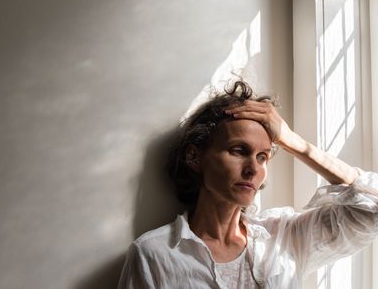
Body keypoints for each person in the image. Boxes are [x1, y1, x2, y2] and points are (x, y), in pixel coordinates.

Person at [118, 81, 378, 288]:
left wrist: (293, 141)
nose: (253, 168)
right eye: (239, 150)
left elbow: (373, 209)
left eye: (262, 156)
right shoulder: (154, 254)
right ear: (194, 156)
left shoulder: (283, 238)